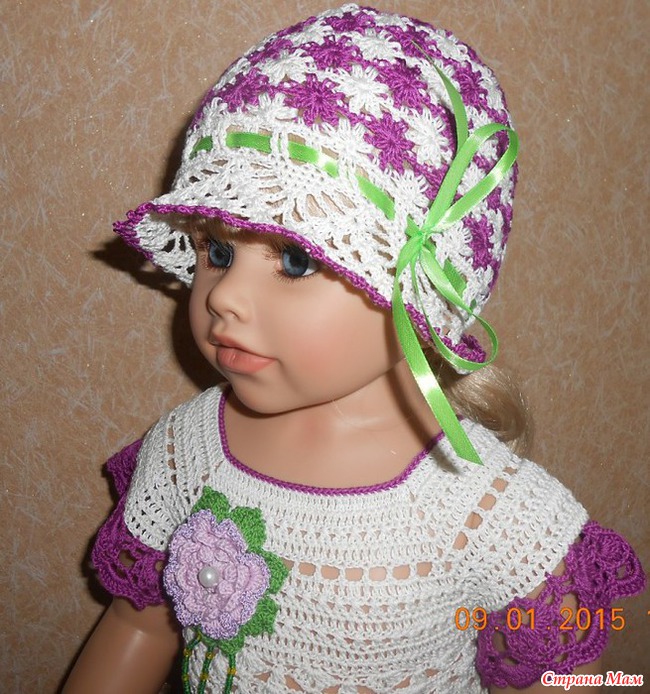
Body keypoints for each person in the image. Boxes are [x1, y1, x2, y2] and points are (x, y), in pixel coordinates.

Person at [63, 5, 645, 693]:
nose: (224, 296)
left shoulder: (489, 512)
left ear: (424, 290)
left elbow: (570, 680)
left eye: (296, 261)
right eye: (218, 251)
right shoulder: (185, 450)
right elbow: (138, 627)